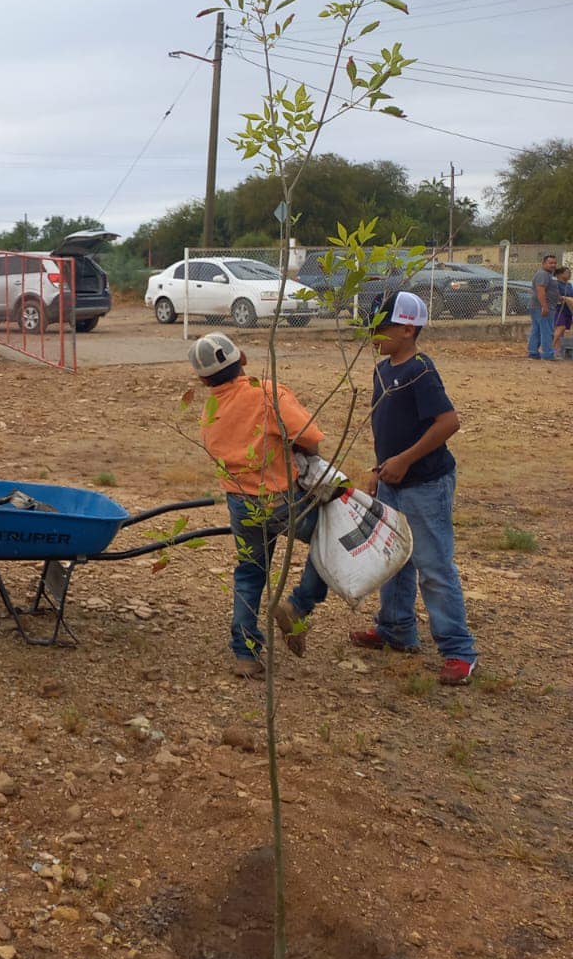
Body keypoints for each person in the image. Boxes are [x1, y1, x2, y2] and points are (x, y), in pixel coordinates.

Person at [350, 291, 478, 685]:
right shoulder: (382, 370)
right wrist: (380, 467)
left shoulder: (421, 370)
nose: (374, 336)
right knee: (394, 560)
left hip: (425, 484)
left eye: (381, 328)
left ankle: (458, 651)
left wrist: (405, 460)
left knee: (433, 566)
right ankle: (396, 629)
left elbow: (448, 422)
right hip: (392, 482)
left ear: (407, 329)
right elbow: (387, 428)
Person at [189, 332, 330, 679]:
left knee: (251, 572)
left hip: (240, 502)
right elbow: (310, 437)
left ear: (203, 379)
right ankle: (298, 606)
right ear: (244, 359)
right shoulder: (266, 393)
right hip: (281, 498)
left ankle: (245, 654)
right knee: (328, 542)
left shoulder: (210, 411)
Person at [529, 252, 559, 361]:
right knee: (547, 330)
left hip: (539, 306)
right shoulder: (543, 274)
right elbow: (540, 290)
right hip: (542, 307)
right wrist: (544, 306)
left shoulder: (549, 275)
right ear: (543, 263)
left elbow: (549, 290)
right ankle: (547, 354)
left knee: (536, 330)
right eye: (550, 263)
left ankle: (533, 353)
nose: (553, 265)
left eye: (555, 263)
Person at [551, 266, 572, 359]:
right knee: (560, 327)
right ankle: (549, 348)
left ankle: (557, 351)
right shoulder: (556, 284)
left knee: (562, 331)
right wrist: (563, 298)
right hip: (559, 309)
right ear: (560, 274)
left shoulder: (570, 285)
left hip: (568, 309)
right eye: (567, 272)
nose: (569, 274)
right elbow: (555, 295)